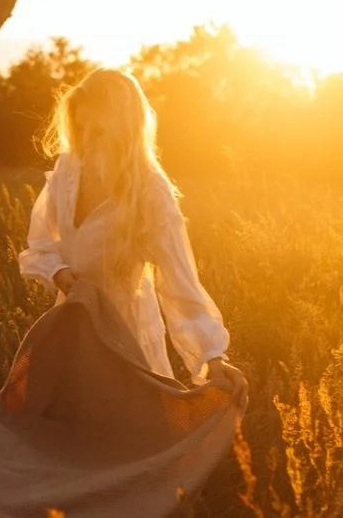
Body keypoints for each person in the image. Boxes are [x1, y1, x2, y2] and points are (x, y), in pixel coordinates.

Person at [15, 67, 248, 406]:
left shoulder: (150, 192)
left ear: (123, 130)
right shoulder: (68, 171)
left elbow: (179, 282)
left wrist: (213, 356)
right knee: (63, 428)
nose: (87, 139)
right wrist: (61, 274)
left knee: (126, 428)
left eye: (98, 130)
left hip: (127, 333)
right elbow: (40, 245)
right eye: (80, 128)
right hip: (71, 325)